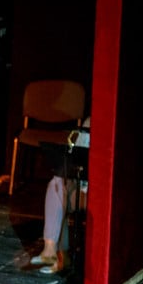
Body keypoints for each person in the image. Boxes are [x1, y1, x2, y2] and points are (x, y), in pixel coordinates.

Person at [30, 116, 90, 274]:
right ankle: (50, 250)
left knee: (64, 194)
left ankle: (62, 256)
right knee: (56, 185)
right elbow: (77, 159)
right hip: (82, 187)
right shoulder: (88, 123)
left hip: (99, 194)